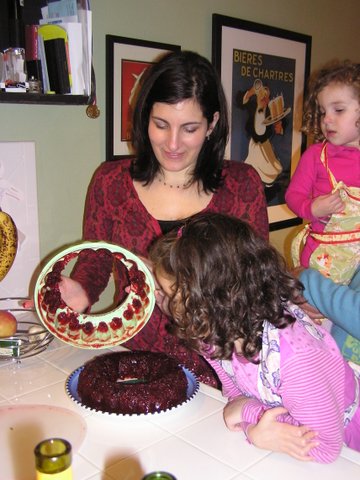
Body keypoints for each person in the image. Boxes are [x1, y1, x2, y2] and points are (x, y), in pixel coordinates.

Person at [59, 50, 269, 388]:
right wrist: (81, 291)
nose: (172, 143)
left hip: (220, 373)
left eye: (189, 129)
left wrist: (174, 282)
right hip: (133, 359)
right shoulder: (110, 181)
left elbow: (253, 287)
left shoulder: (242, 185)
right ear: (146, 119)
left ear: (212, 124)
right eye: (161, 125)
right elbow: (96, 260)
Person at [149, 212, 360, 464]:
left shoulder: (296, 360)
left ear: (210, 300)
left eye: (167, 293)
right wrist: (251, 417)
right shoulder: (215, 333)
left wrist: (254, 424)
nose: (159, 298)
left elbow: (324, 448)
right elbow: (237, 397)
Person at [285, 60, 360, 285]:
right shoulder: (316, 156)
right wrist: (312, 208)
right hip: (323, 259)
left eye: (338, 110)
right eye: (322, 111)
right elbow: (292, 196)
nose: (327, 119)